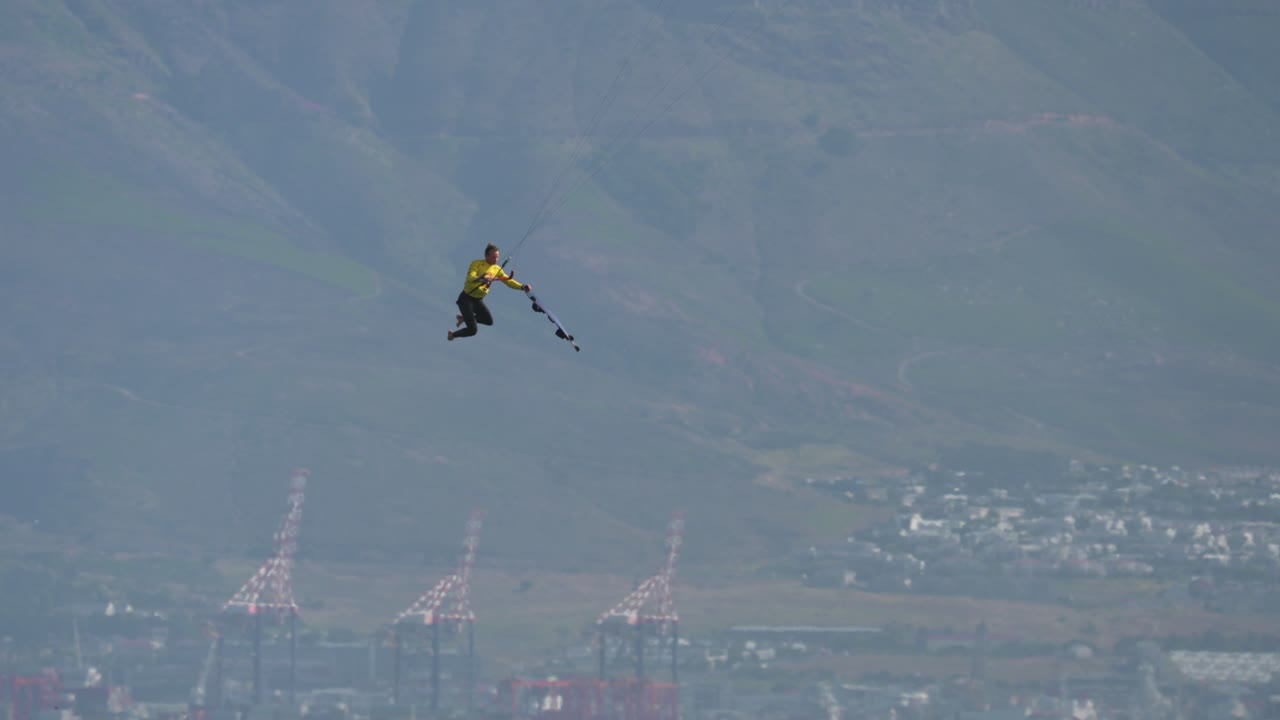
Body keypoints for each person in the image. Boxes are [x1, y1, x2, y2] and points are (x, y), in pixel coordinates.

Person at [448, 243, 530, 341]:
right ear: (486, 256)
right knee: (473, 330)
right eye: (493, 257)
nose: (496, 260)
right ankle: (452, 335)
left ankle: (464, 318)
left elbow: (508, 281)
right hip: (466, 299)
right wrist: (482, 278)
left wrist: (522, 287)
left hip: (477, 300)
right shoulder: (477, 263)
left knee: (488, 321)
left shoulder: (497, 269)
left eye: (497, 257)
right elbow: (470, 278)